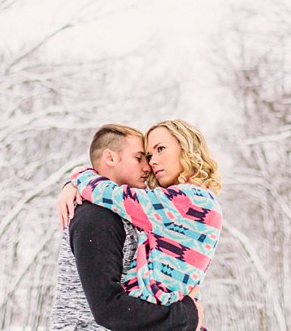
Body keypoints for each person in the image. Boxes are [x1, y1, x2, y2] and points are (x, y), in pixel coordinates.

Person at [61, 120, 222, 329]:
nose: (151, 163)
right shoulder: (160, 207)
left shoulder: (186, 200)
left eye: (160, 149)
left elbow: (114, 195)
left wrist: (79, 177)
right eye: (145, 156)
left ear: (187, 147)